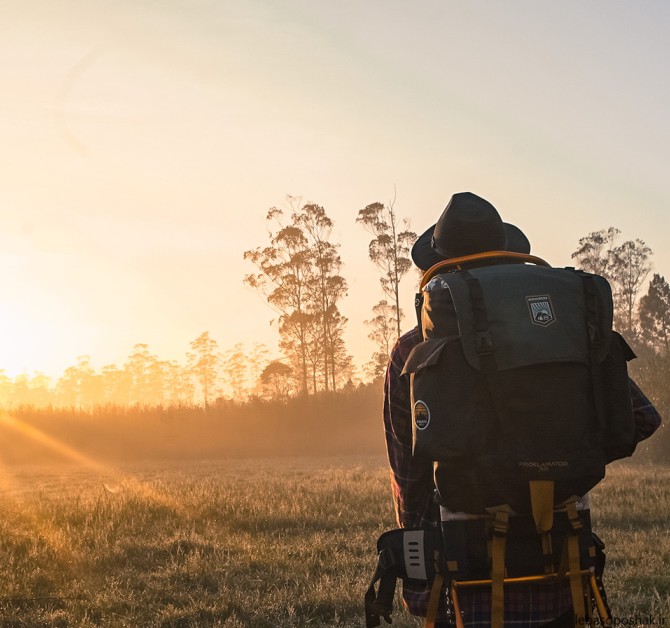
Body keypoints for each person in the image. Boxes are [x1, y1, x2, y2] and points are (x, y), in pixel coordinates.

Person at [383, 192, 662, 627]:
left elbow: (409, 476)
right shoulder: (565, 333)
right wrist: (559, 458)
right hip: (565, 563)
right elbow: (642, 417)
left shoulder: (412, 351)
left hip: (470, 575)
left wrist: (422, 580)